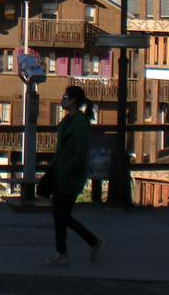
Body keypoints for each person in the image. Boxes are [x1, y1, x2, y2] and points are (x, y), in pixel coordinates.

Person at [45, 85, 104, 266]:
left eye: (65, 97)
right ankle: (66, 250)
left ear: (73, 101)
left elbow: (79, 154)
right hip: (62, 173)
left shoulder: (79, 124)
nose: (62, 100)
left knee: (61, 214)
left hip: (70, 176)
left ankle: (82, 245)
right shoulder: (68, 121)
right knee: (60, 214)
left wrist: (65, 169)